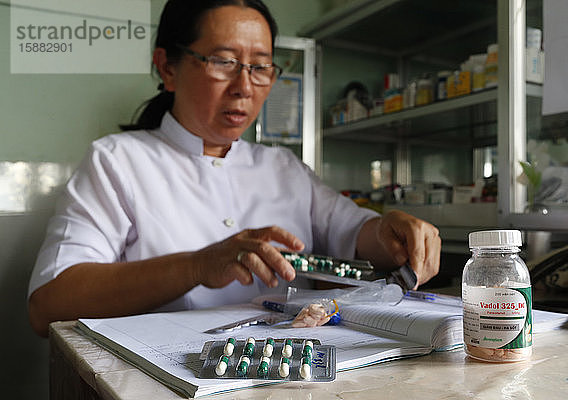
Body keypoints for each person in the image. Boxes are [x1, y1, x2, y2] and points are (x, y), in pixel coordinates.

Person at [28, 0, 441, 337]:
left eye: (261, 67)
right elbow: (49, 304)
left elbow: (355, 232)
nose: (244, 86)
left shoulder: (283, 167)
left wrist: (393, 230)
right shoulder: (117, 161)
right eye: (223, 61)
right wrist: (197, 266)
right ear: (168, 67)